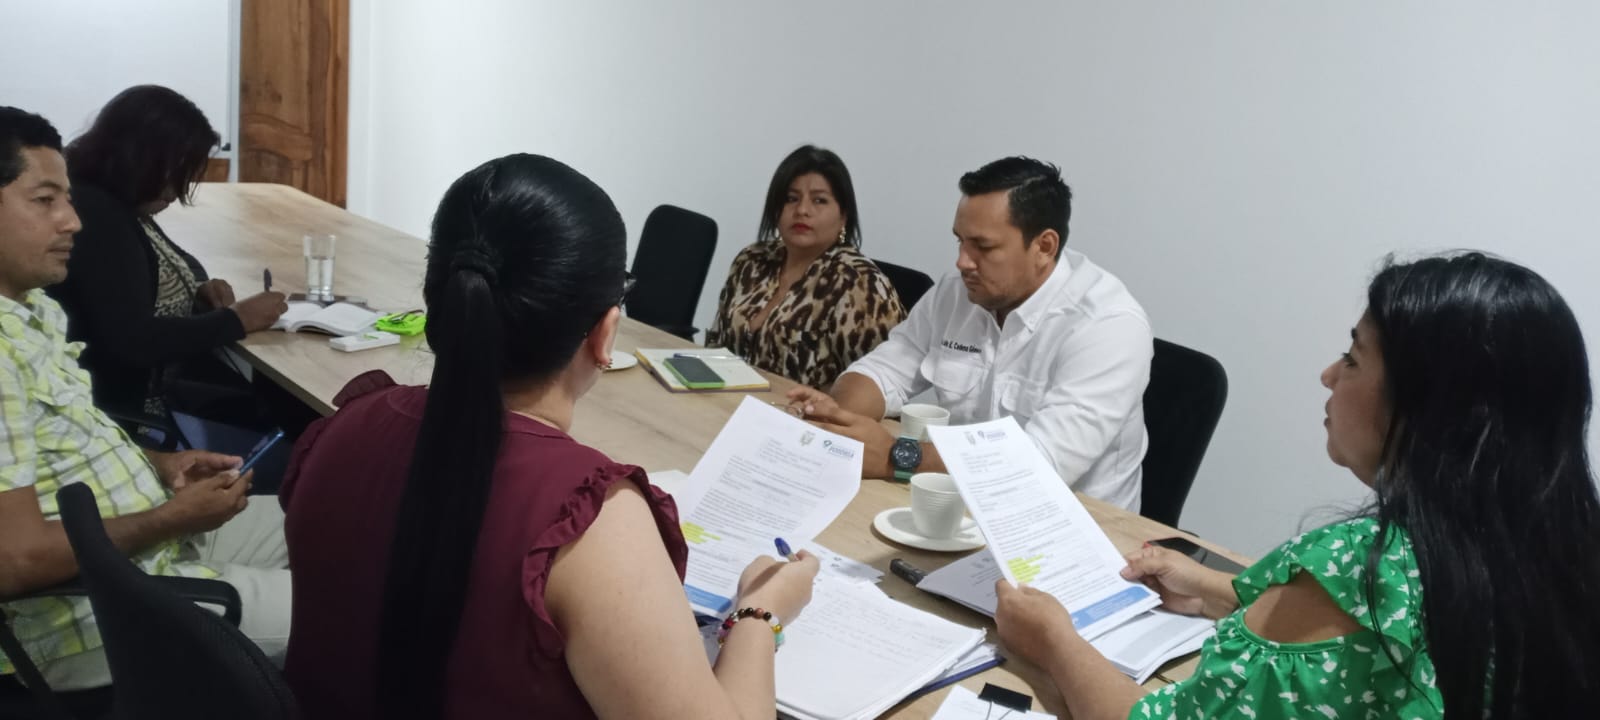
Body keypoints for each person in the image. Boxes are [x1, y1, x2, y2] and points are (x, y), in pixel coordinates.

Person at [279, 153, 820, 719]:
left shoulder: (343, 430)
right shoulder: (588, 522)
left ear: (438, 301)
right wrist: (761, 613)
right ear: (606, 332)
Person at [993, 252, 1600, 719]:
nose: (1329, 374)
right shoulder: (1555, 547)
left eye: (1354, 358)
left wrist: (1053, 641)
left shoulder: (1362, 568)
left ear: (1428, 408)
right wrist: (1211, 591)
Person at [0, 106, 292, 688]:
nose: (72, 221)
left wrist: (156, 463)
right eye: (45, 200)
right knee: (360, 605)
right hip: (97, 617)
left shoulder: (29, 311)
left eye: (67, 199)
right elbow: (17, 559)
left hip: (147, 545)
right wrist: (167, 519)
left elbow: (57, 439)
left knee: (333, 517)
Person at [789, 157, 1151, 510]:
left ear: (1044, 247)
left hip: (1065, 525)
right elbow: (885, 370)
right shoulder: (957, 292)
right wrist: (838, 418)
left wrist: (895, 456)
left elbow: (1037, 465)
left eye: (983, 247)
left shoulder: (1108, 325)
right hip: (956, 504)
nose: (962, 261)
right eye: (960, 242)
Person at [47, 85, 287, 419]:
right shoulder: (98, 217)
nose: (177, 192)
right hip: (126, 412)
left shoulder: (121, 206)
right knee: (283, 415)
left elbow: (179, 260)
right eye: (177, 173)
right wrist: (236, 320)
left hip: (156, 388)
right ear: (141, 159)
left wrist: (200, 289)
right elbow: (133, 340)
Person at [705, 145, 905, 388]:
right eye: (791, 199)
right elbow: (715, 347)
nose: (802, 210)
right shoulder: (752, 260)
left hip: (801, 411)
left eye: (819, 200)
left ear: (843, 215)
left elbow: (877, 388)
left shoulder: (860, 285)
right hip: (723, 399)